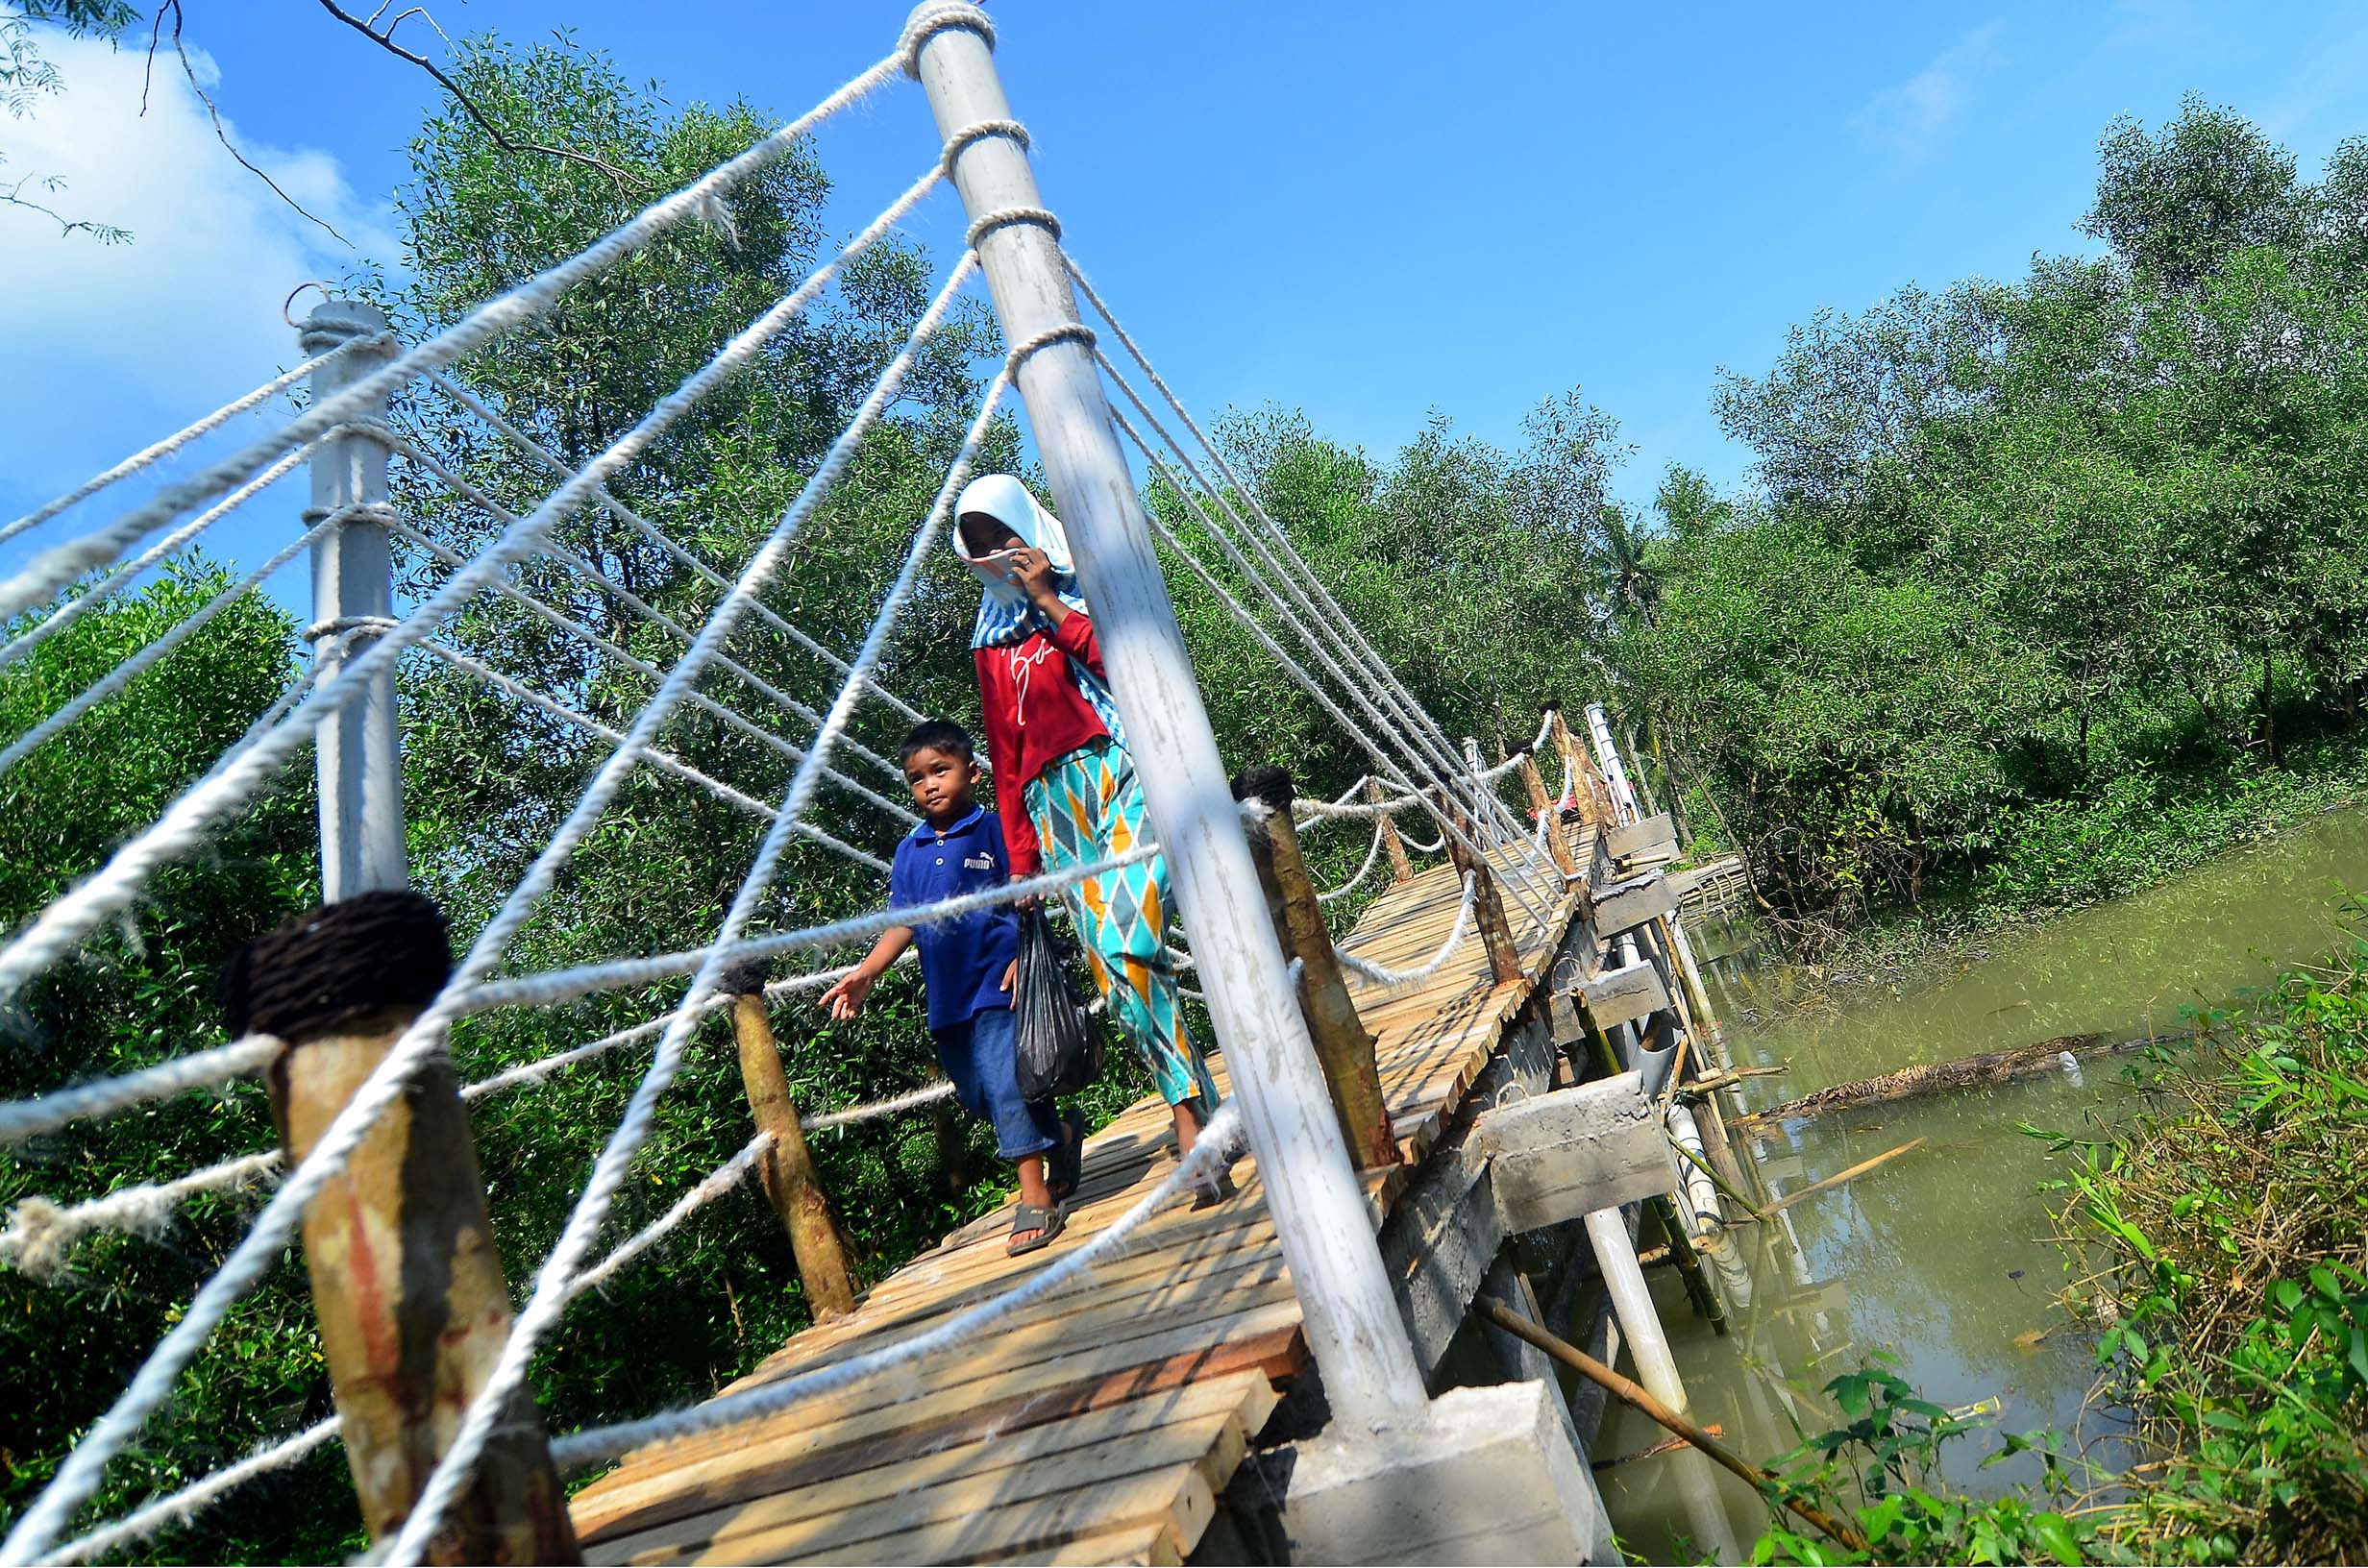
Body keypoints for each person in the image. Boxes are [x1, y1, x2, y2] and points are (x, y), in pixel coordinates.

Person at [950, 473, 1232, 1203]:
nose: (994, 557)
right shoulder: (987, 642)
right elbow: (1004, 758)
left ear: (1028, 530)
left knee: (1129, 943)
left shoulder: (1083, 586)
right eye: (977, 548)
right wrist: (1022, 871)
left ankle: (1190, 1122)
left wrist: (1049, 600)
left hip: (1124, 773)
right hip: (1053, 809)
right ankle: (1190, 1112)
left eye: (1003, 538)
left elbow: (1126, 667)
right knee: (1115, 968)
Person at [819, 719, 1083, 1256]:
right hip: (949, 996)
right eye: (917, 779)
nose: (930, 785)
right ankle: (1062, 1136)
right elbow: (904, 922)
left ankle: (1033, 1198)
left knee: (1007, 1084)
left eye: (941, 770)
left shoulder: (996, 830)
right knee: (980, 1093)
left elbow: (1027, 891)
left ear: (974, 772)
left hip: (998, 981)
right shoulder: (910, 851)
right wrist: (868, 972)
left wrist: (1020, 956)